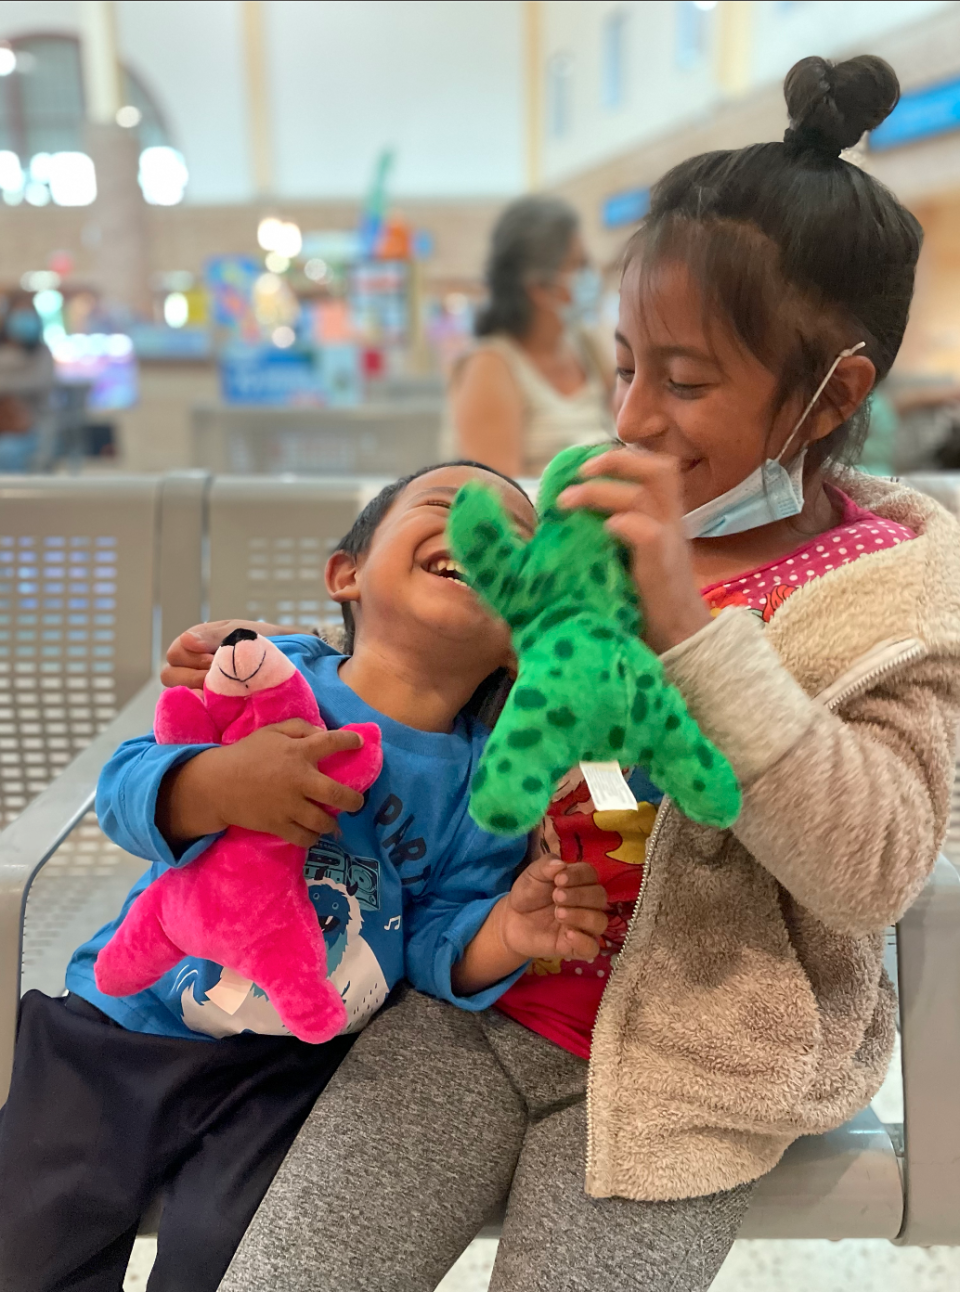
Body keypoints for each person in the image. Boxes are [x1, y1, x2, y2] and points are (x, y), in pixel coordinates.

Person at [218, 55, 960, 1292]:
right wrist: (270, 666)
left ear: (832, 393)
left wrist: (687, 616)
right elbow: (433, 658)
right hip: (472, 984)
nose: (634, 417)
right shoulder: (588, 516)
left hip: (687, 1072)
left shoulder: (894, 602)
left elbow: (872, 861)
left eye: (687, 380)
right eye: (624, 365)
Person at [0, 460, 610, 1292]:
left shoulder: (489, 789)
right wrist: (214, 785)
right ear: (347, 573)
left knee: (231, 1261)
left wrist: (508, 931)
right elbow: (125, 789)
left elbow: (437, 937)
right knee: (27, 1242)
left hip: (291, 1076)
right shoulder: (267, 674)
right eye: (444, 505)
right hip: (121, 1024)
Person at [441, 195, 613, 477]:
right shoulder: (491, 366)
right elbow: (498, 500)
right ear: (540, 288)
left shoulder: (587, 345)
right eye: (579, 265)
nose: (592, 275)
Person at [0, 293, 55, 473]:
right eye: (19, 313)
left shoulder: (42, 353)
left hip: (33, 429)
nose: (24, 318)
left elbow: (38, 383)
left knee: (7, 452)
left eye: (28, 313)